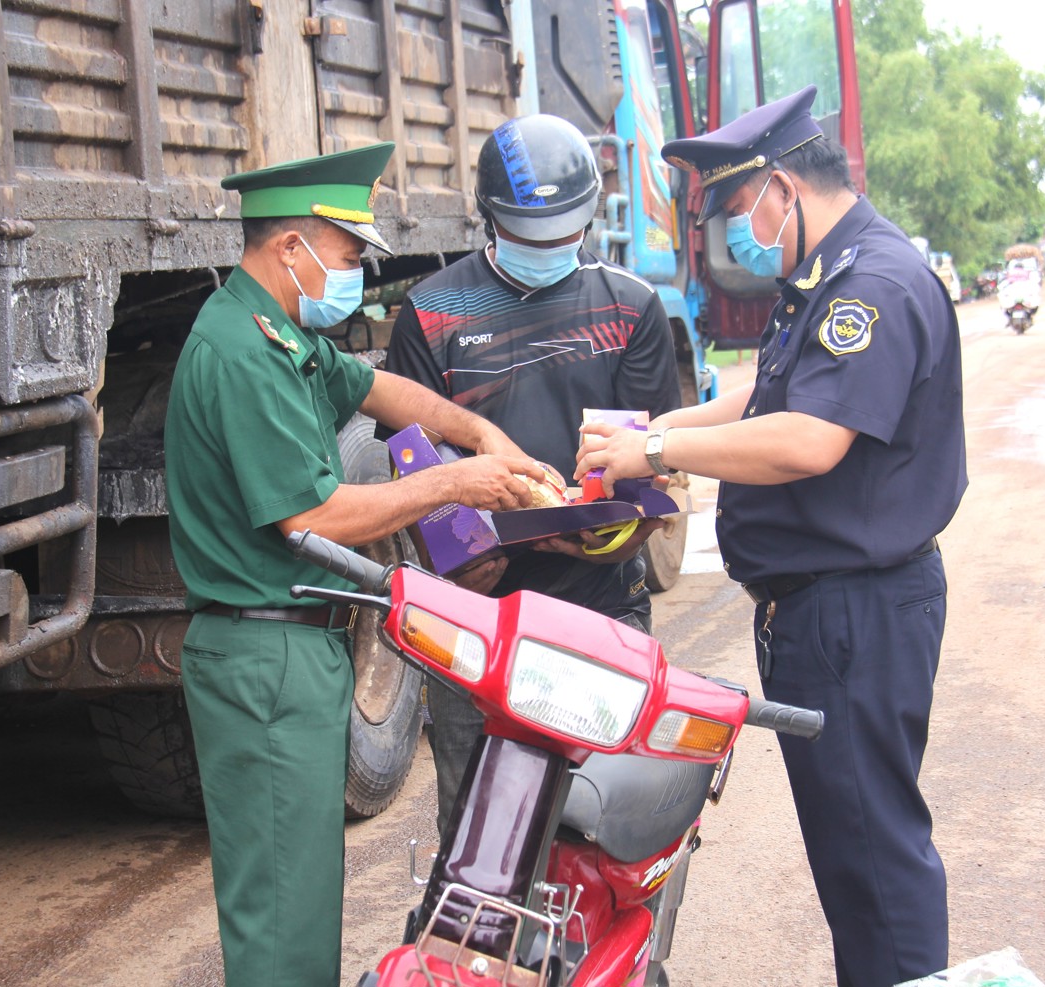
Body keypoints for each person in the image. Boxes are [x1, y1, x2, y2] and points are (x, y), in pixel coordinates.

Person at [576, 86, 968, 987]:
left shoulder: (869, 284)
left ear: (784, 190)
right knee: (852, 852)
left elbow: (808, 438)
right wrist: (657, 430)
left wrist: (661, 446)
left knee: (875, 857)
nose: (735, 234)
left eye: (736, 209)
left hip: (855, 615)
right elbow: (767, 397)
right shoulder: (826, 274)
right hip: (823, 615)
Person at [164, 142, 546, 987]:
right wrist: (455, 479)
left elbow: (378, 390)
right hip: (262, 651)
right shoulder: (241, 353)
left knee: (302, 901)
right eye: (345, 255)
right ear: (289, 247)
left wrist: (478, 433)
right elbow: (315, 514)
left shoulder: (282, 336)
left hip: (294, 647)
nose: (355, 275)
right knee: (279, 925)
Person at [383, 114, 682, 834]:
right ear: (490, 218)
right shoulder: (431, 314)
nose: (550, 246)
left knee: (605, 833)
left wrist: (606, 540)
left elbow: (655, 474)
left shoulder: (631, 309)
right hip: (476, 626)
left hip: (602, 610)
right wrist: (457, 560)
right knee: (483, 836)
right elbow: (411, 462)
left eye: (563, 230)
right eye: (529, 231)